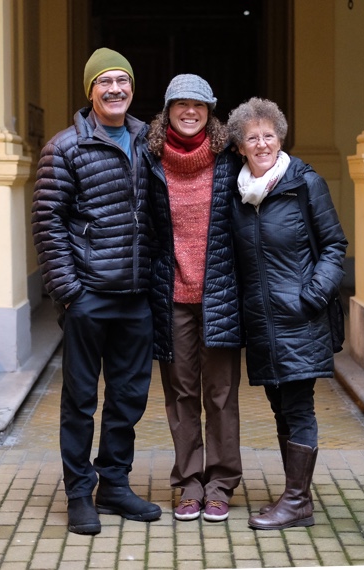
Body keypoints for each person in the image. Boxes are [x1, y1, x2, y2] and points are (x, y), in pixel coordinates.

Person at [31, 47, 161, 536]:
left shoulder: (148, 140)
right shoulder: (65, 148)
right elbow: (47, 223)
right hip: (89, 296)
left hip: (136, 295)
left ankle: (114, 485)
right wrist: (70, 292)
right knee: (80, 401)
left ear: (132, 88)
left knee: (128, 398)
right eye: (104, 81)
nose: (114, 89)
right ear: (90, 91)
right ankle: (79, 494)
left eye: (122, 80)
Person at [226, 97, 348, 530]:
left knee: (297, 407)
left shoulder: (305, 184)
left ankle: (297, 502)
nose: (262, 144)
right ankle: (296, 497)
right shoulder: (238, 194)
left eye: (269, 135)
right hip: (262, 322)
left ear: (280, 139)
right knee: (280, 407)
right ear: (239, 147)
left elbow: (334, 245)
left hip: (301, 318)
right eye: (252, 137)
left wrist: (312, 297)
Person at [146, 74, 244, 523]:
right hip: (171, 297)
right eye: (181, 104)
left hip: (220, 293)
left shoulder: (229, 160)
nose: (190, 111)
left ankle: (220, 483)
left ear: (210, 111)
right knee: (181, 393)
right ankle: (189, 483)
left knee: (220, 394)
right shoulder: (149, 160)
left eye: (199, 105)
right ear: (167, 111)